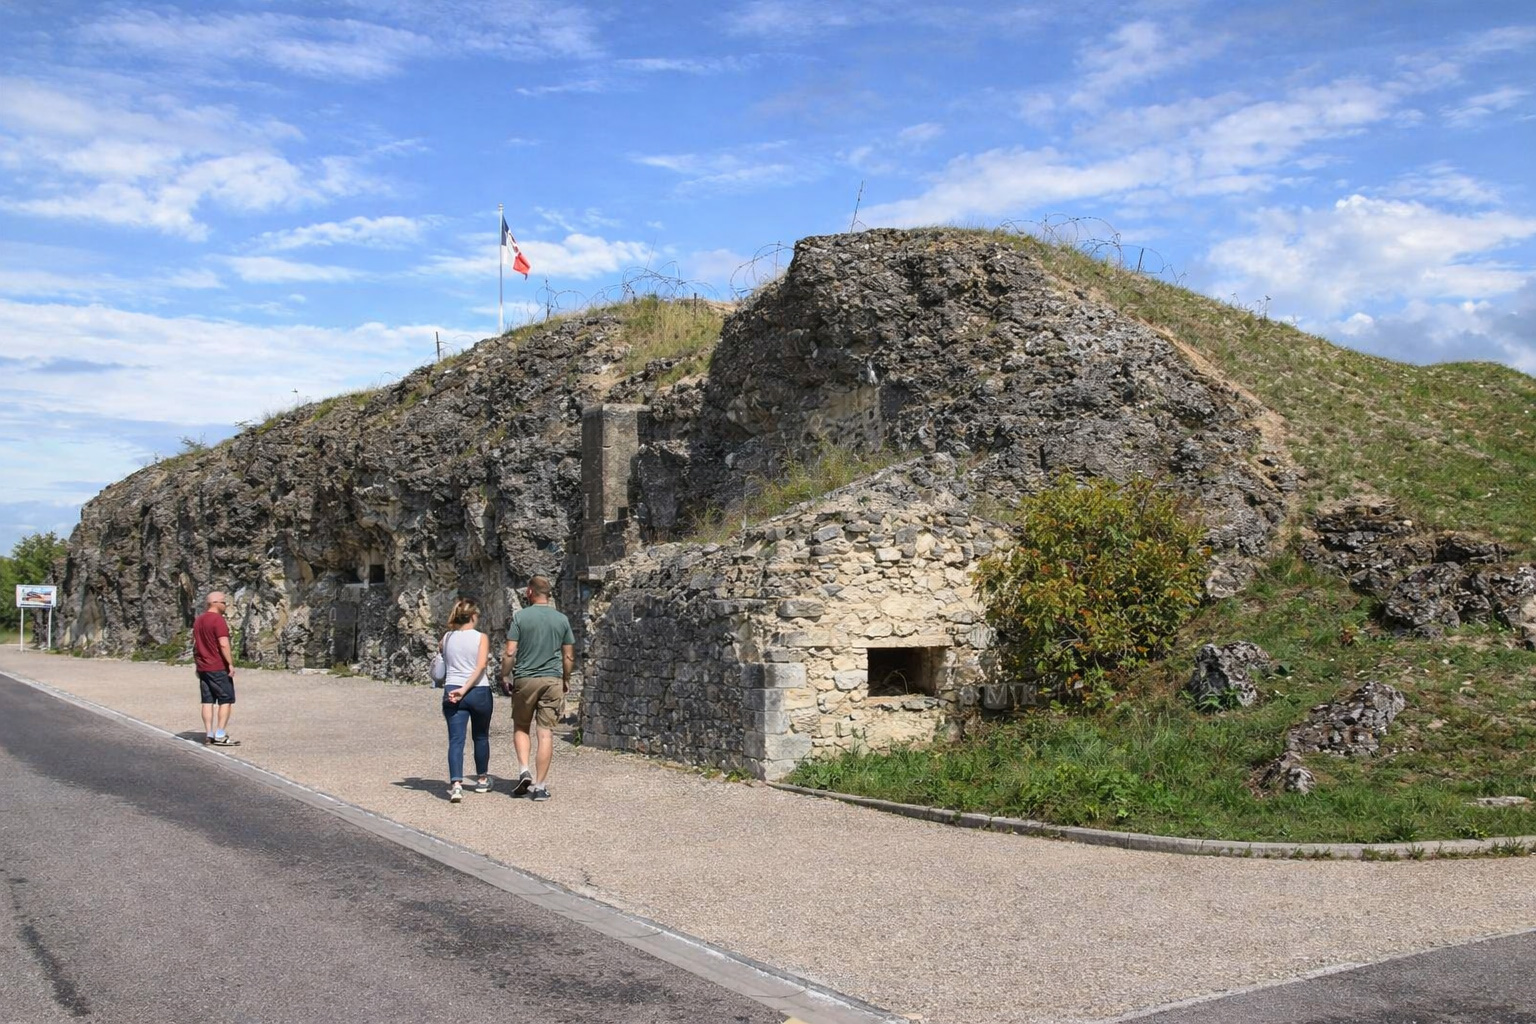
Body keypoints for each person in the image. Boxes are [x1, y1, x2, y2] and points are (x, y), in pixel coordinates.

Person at [500, 576, 574, 802]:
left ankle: (524, 770)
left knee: (521, 726)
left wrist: (505, 674)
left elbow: (510, 652)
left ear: (530, 592)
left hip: (525, 679)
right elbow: (568, 655)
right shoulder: (561, 619)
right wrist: (566, 678)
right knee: (545, 733)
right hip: (552, 679)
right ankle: (540, 787)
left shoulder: (521, 617)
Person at [439, 597, 493, 804]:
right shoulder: (481, 638)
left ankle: (456, 785)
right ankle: (481, 779)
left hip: (452, 689)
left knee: (456, 739)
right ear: (473, 616)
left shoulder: (446, 638)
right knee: (480, 736)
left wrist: (459, 688)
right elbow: (480, 667)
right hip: (478, 690)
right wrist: (466, 688)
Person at [192, 591, 239, 746]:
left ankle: (209, 733)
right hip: (217, 666)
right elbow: (223, 643)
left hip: (203, 667)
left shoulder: (199, 620)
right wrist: (230, 663)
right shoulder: (217, 620)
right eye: (224, 602)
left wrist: (198, 665)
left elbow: (196, 645)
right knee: (226, 699)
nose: (225, 605)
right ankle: (220, 733)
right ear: (216, 603)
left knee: (207, 700)